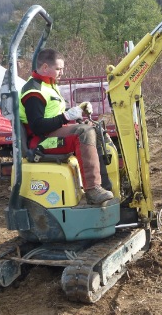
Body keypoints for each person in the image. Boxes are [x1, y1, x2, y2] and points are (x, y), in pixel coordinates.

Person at [19, 48, 114, 205]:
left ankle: (106, 185)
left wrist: (77, 112)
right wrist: (66, 116)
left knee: (94, 128)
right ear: (44, 67)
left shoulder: (49, 86)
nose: (61, 72)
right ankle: (92, 189)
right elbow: (37, 126)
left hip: (51, 134)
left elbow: (53, 115)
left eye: (62, 68)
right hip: (41, 141)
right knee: (84, 133)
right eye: (58, 69)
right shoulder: (34, 91)